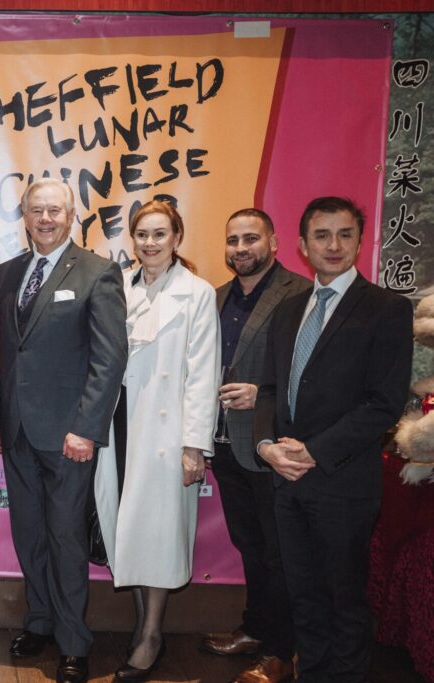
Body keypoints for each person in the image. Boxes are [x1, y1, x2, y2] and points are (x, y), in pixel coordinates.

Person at [254, 197, 413, 682]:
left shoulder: (386, 309)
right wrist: (265, 446)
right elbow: (268, 391)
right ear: (303, 246)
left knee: (345, 603)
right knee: (303, 598)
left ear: (360, 242)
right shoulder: (288, 310)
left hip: (343, 482)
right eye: (322, 235)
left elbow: (384, 402)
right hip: (287, 481)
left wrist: (314, 451)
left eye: (345, 234)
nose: (334, 245)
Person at [0, 178, 128, 683]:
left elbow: (109, 360)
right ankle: (40, 622)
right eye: (37, 210)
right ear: (24, 217)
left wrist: (87, 428)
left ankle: (74, 642)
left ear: (71, 216)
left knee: (66, 539)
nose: (45, 219)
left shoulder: (98, 272)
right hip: (18, 430)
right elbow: (4, 354)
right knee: (29, 535)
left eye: (55, 210)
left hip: (70, 436)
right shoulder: (7, 273)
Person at [96, 200, 220, 682]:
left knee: (160, 533)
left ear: (177, 238)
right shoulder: (117, 286)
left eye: (159, 234)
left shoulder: (197, 293)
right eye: (142, 234)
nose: (150, 243)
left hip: (166, 431)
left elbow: (203, 374)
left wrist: (194, 445)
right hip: (119, 424)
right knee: (128, 528)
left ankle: (151, 634)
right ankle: (139, 623)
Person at [200, 209, 309, 683]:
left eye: (251, 238)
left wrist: (263, 392)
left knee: (279, 551)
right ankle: (256, 628)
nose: (241, 248)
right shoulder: (216, 297)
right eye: (233, 240)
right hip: (225, 443)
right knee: (250, 543)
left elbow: (311, 369)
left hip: (272, 444)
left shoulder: (300, 293)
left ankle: (282, 651)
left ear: (275, 242)